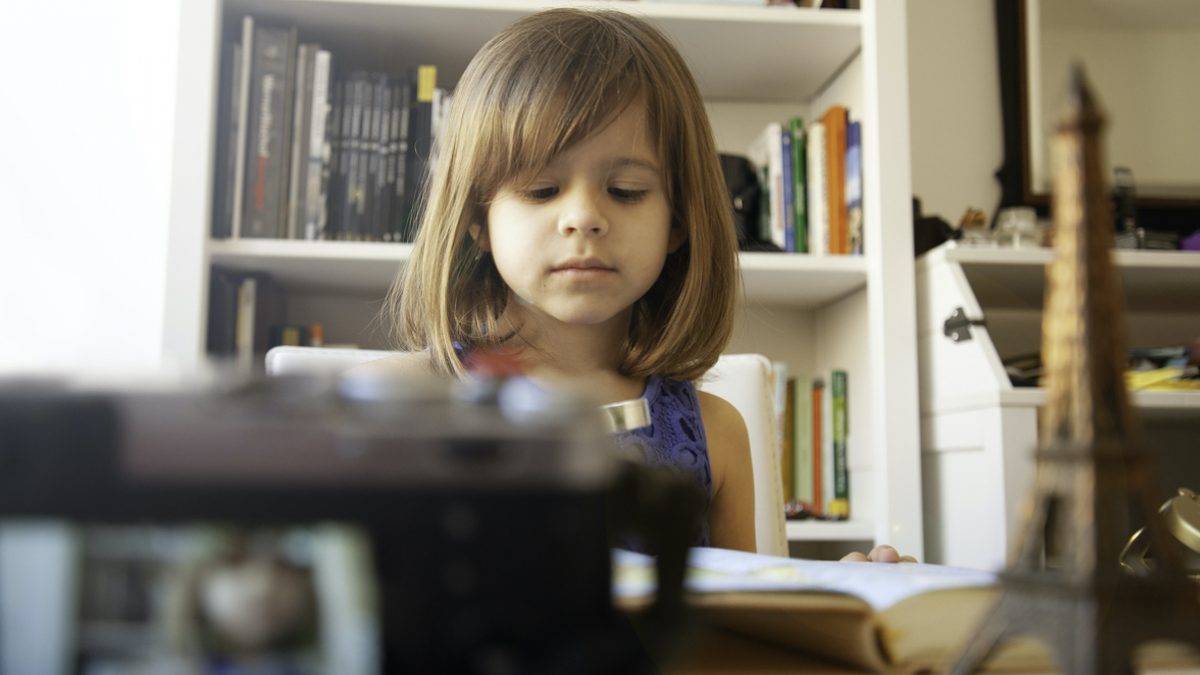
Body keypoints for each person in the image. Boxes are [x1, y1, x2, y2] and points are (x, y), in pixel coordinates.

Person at [370, 7, 911, 562]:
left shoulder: (717, 431)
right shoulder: (401, 404)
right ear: (478, 221)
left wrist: (849, 593)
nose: (582, 217)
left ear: (678, 221)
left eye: (626, 190)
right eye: (540, 190)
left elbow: (747, 625)